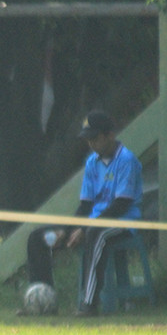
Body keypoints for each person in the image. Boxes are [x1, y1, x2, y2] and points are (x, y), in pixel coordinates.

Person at [22, 110, 143, 317]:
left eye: (95, 139)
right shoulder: (91, 163)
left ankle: (89, 304)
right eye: (88, 139)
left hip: (121, 223)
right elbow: (85, 205)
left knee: (96, 235)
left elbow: (121, 204)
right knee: (38, 238)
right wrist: (68, 230)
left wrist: (86, 228)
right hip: (92, 223)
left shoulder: (126, 161)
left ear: (110, 136)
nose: (91, 144)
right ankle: (41, 301)